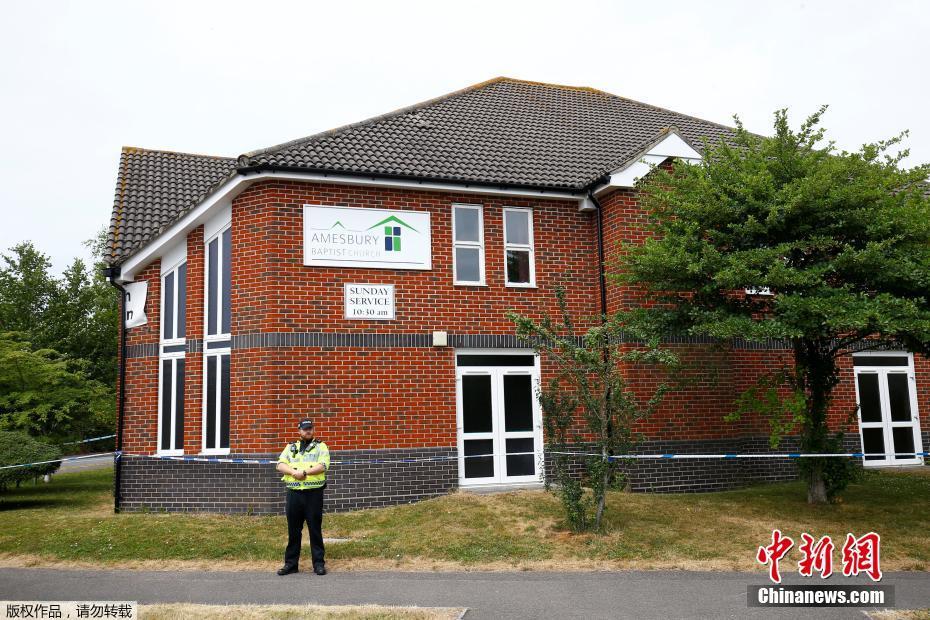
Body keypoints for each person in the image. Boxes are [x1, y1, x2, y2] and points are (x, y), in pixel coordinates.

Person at [276, 417, 330, 576]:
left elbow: (323, 465)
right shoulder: (290, 447)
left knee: (315, 530)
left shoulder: (321, 446)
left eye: (310, 428)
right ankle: (291, 564)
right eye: (305, 428)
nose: (308, 431)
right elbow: (280, 464)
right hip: (294, 494)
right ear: (299, 431)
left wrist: (304, 472)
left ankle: (318, 564)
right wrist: (294, 472)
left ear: (313, 430)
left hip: (313, 494)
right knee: (293, 531)